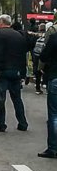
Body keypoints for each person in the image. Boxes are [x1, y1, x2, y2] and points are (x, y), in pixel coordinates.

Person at [0, 14, 29, 132]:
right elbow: (23, 55)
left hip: (2, 71)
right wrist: (22, 73)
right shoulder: (19, 35)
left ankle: (1, 124)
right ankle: (23, 123)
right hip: (16, 71)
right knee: (17, 98)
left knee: (0, 98)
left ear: (1, 23)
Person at [38, 28, 57, 158]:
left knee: (54, 114)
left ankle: (53, 148)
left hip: (55, 76)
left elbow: (43, 56)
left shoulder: (54, 37)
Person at [32, 23, 47, 94]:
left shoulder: (37, 36)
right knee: (45, 71)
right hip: (44, 56)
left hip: (37, 55)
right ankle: (45, 84)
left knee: (38, 72)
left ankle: (37, 88)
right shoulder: (47, 36)